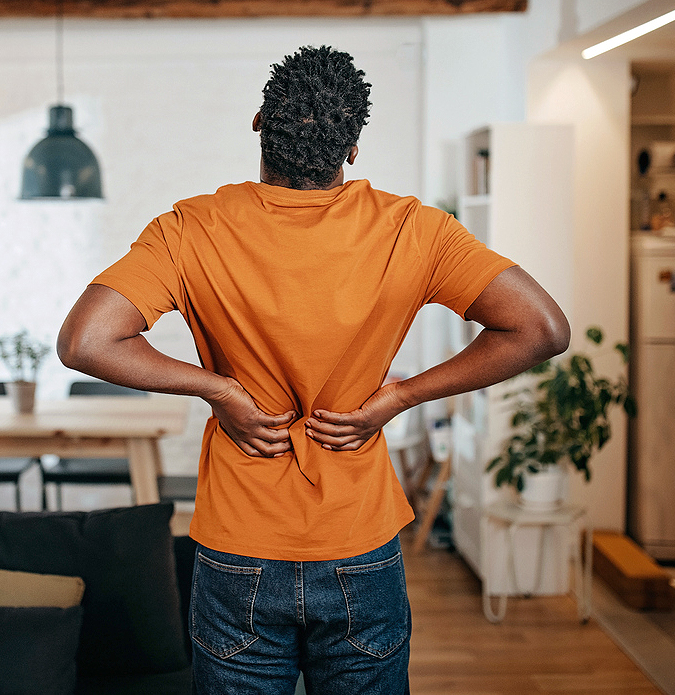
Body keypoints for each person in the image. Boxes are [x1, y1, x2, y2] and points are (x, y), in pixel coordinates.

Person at [56, 45, 569, 695]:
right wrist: (399, 397)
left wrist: (218, 389)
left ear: (259, 123)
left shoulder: (191, 227)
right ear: (352, 150)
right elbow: (543, 328)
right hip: (358, 542)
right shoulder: (414, 229)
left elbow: (85, 339)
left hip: (239, 544)